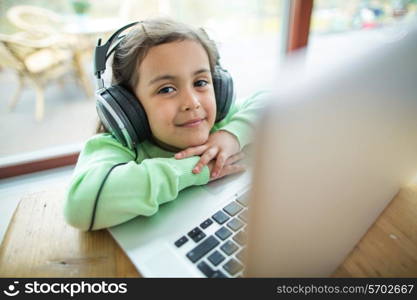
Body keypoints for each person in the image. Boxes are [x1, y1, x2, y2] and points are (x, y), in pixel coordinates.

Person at [64, 18, 268, 230]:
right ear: (129, 105)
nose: (192, 103)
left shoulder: (222, 125)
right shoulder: (120, 148)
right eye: (167, 89)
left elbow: (277, 101)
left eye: (200, 82)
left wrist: (233, 134)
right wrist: (197, 167)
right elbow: (80, 205)